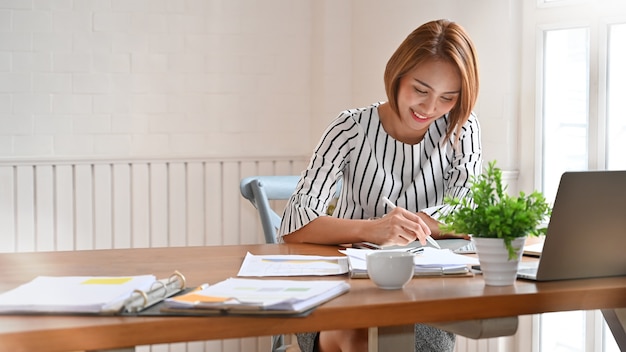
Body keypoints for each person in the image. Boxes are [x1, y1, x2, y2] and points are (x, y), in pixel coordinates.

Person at [278, 19, 482, 352]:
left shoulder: (462, 127)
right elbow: (295, 224)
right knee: (361, 337)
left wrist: (417, 224)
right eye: (420, 90)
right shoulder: (349, 128)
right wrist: (375, 230)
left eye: (447, 98)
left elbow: (470, 211)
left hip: (424, 303)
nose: (430, 108)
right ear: (398, 74)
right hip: (340, 294)